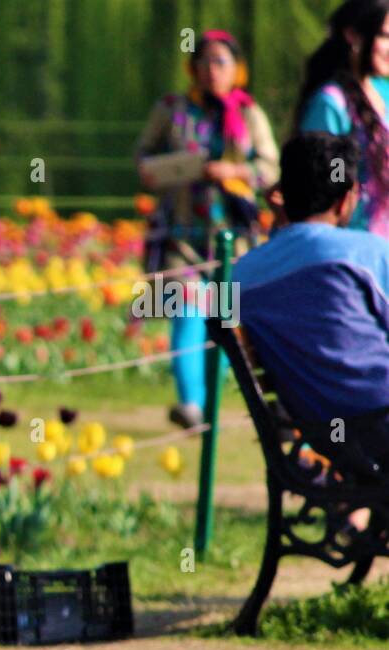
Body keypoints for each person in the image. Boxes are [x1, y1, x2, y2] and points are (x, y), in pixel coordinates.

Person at [135, 29, 279, 430]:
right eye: (204, 62)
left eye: (221, 62)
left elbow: (271, 170)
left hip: (232, 240)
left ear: (237, 69)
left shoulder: (249, 114)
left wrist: (233, 172)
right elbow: (143, 157)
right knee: (184, 312)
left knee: (224, 325)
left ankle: (215, 410)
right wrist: (168, 168)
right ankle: (191, 405)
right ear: (192, 67)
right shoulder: (172, 110)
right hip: (181, 234)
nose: (212, 70)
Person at [234, 132, 389, 471]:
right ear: (345, 199)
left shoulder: (245, 273)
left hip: (328, 436)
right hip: (380, 423)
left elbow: (171, 300)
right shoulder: (366, 253)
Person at [296, 0, 389, 238]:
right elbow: (324, 181)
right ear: (352, 35)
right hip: (351, 246)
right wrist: (344, 181)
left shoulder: (383, 92)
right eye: (384, 36)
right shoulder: (331, 102)